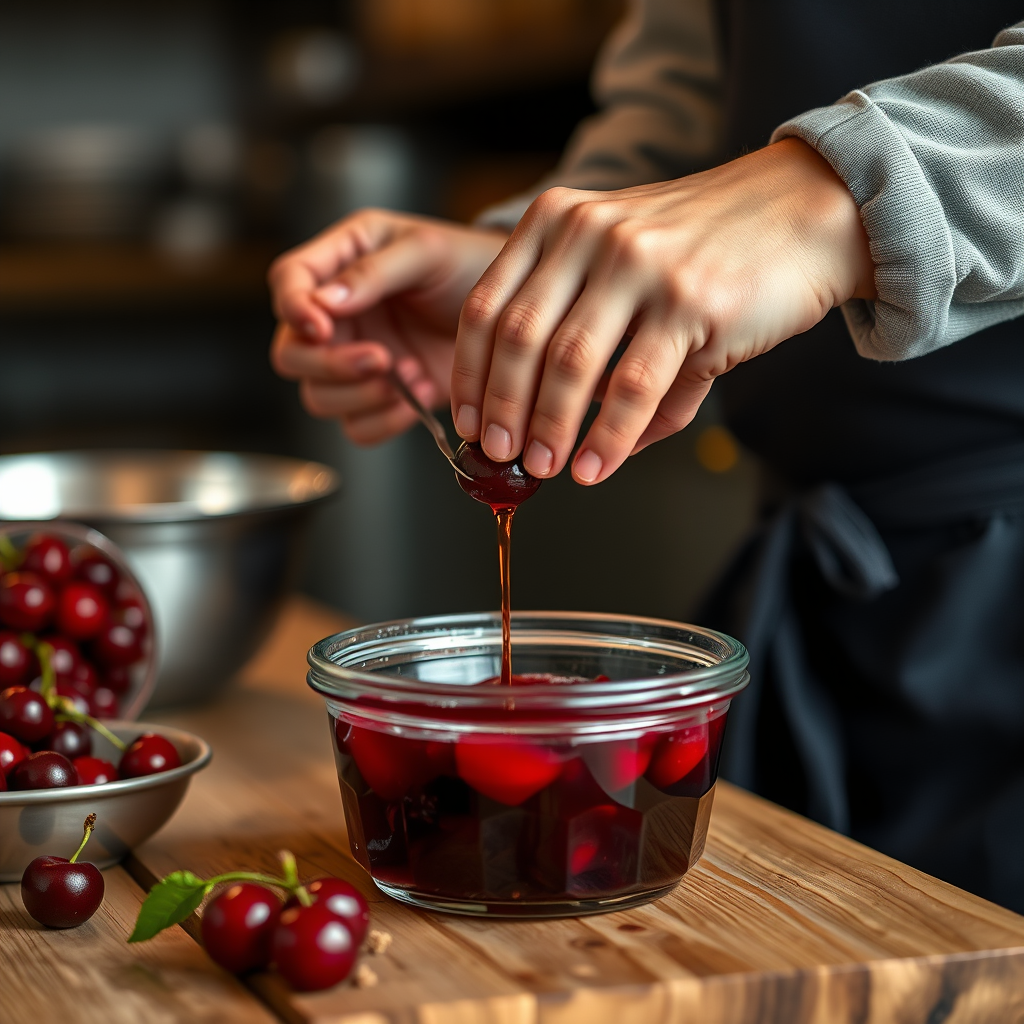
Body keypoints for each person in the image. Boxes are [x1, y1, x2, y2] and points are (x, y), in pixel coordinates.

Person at [269, 1, 1024, 912]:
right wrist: (531, 287)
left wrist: (828, 196)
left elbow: (769, 195)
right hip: (834, 600)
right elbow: (691, 87)